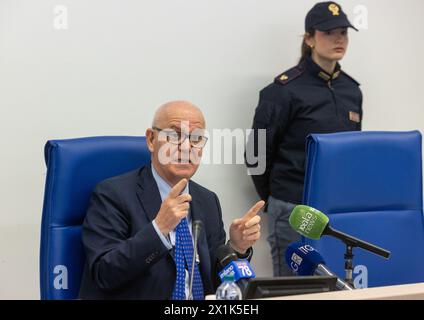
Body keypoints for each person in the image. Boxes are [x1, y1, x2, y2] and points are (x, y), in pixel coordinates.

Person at [79, 101, 265, 299]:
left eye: (196, 138)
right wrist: (159, 229)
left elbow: (213, 283)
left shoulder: (207, 201)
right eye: (175, 135)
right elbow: (104, 274)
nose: (186, 147)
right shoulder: (113, 194)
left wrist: (236, 248)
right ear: (151, 140)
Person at [246, 2, 363, 276]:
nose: (339, 39)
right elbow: (256, 154)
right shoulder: (283, 90)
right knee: (294, 289)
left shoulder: (351, 90)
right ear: (310, 38)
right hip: (293, 208)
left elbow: (352, 153)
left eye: (344, 32)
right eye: (329, 32)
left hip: (338, 207)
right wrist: (277, 198)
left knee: (337, 285)